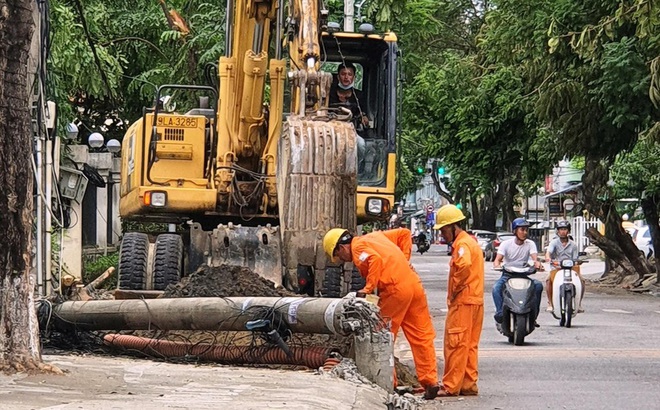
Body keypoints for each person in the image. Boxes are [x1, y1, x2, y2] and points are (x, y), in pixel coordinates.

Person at [322, 227, 440, 400]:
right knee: (421, 335)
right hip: (413, 284)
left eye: (339, 256)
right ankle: (430, 381)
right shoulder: (375, 237)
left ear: (341, 247)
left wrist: (367, 289)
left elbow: (375, 260)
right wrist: (404, 262)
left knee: (381, 334)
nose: (343, 260)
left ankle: (387, 383)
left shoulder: (357, 248)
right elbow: (404, 234)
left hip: (395, 290)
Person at [433, 205, 484, 397]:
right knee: (469, 344)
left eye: (444, 230)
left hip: (464, 301)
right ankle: (468, 385)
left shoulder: (462, 245)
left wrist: (454, 290)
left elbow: (463, 267)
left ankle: (450, 386)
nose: (443, 234)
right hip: (475, 300)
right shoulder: (469, 243)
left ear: (454, 227)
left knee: (456, 343)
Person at [492, 218, 543, 328]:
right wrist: (497, 265)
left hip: (523, 275)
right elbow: (497, 259)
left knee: (538, 286)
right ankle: (500, 312)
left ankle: (533, 316)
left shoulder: (530, 244)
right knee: (496, 288)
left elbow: (535, 259)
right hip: (508, 275)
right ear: (515, 231)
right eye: (522, 230)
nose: (525, 233)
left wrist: (537, 264)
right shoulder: (506, 244)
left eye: (526, 230)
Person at [545, 220, 586, 312]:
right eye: (561, 229)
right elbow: (549, 252)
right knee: (548, 280)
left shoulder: (573, 244)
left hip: (571, 268)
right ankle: (550, 303)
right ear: (558, 231)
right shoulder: (554, 242)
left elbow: (576, 258)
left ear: (568, 231)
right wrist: (548, 258)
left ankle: (579, 304)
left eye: (565, 229)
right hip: (557, 267)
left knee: (582, 281)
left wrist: (578, 262)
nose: (563, 231)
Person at [329, 62, 369, 128]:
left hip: (352, 129)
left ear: (354, 77)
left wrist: (364, 118)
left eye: (350, 74)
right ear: (338, 77)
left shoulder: (360, 96)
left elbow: (363, 114)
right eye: (343, 74)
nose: (346, 77)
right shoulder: (329, 94)